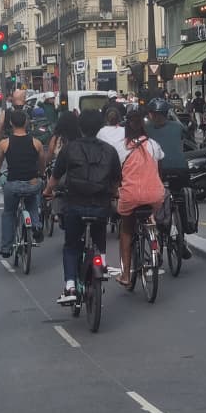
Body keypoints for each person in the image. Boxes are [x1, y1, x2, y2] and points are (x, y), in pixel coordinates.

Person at [42, 109, 121, 304]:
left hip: (74, 205)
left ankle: (70, 286)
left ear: (81, 127)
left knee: (71, 246)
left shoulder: (70, 149)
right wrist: (114, 194)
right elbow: (116, 181)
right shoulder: (109, 150)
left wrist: (47, 192)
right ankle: (101, 261)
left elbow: (55, 177)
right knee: (99, 231)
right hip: (100, 204)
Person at [116, 110, 165, 287]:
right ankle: (155, 239)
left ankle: (126, 274)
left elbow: (116, 175)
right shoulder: (153, 145)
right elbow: (159, 171)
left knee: (126, 230)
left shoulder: (121, 147)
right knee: (151, 210)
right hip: (154, 194)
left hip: (131, 196)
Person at [0, 109, 46, 256]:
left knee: (9, 213)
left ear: (11, 123)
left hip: (13, 184)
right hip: (32, 184)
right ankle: (35, 225)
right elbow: (42, 164)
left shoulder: (4, 144)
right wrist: (41, 174)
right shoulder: (36, 143)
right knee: (33, 205)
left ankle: (6, 248)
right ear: (27, 122)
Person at [145, 97, 192, 258]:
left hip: (155, 171)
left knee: (150, 202)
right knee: (181, 199)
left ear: (151, 114)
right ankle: (181, 236)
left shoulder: (145, 128)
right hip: (180, 170)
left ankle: (156, 234)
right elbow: (188, 134)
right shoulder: (177, 126)